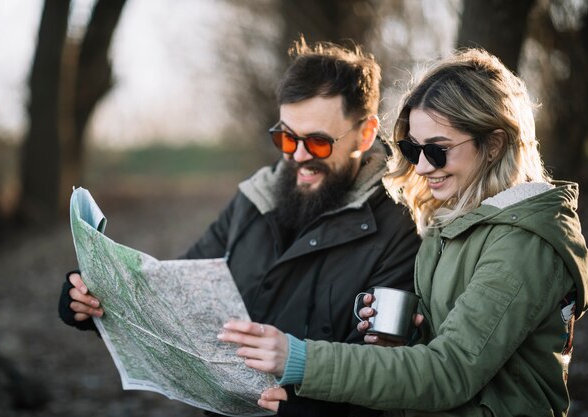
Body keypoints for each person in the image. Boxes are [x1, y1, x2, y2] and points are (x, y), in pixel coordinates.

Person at [218, 48, 588, 416]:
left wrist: (299, 359)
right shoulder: (448, 223)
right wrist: (405, 339)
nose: (423, 167)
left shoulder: (524, 244)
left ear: (493, 144)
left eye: (439, 150)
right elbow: (444, 360)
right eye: (413, 150)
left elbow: (449, 372)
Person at [58, 37, 421, 416]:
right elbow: (173, 298)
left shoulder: (399, 227)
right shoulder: (254, 199)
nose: (297, 157)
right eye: (286, 137)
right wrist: (97, 303)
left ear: (365, 134)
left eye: (317, 142)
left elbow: (389, 373)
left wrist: (310, 407)